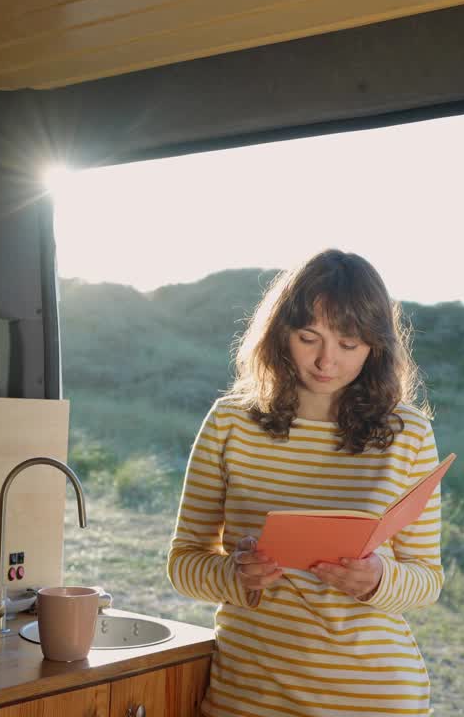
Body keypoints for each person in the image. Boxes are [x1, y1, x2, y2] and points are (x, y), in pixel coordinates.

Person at [166, 249, 444, 716]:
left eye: (349, 345)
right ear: (280, 334)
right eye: (308, 337)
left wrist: (378, 580)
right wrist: (234, 575)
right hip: (250, 694)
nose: (325, 361)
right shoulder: (230, 422)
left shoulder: (408, 432)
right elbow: (183, 563)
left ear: (376, 347)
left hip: (373, 696)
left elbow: (427, 578)